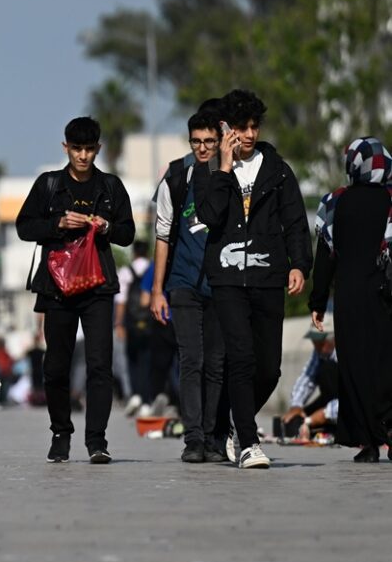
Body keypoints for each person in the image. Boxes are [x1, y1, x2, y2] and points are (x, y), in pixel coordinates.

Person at [192, 89, 311, 469]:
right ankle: (247, 441)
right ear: (226, 128)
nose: (248, 134)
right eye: (240, 127)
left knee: (268, 368)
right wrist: (224, 168)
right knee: (240, 358)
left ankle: (231, 422)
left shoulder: (277, 169)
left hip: (268, 276)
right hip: (227, 278)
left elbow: (295, 221)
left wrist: (299, 265)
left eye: (253, 126)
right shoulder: (209, 169)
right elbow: (209, 216)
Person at [15, 116, 135, 464]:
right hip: (57, 286)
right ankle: (60, 433)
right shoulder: (49, 185)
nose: (83, 156)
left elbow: (128, 233)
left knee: (100, 365)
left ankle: (96, 439)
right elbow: (24, 226)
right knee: (55, 365)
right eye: (76, 149)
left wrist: (107, 226)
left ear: (98, 149)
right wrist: (57, 223)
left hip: (97, 285)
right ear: (65, 148)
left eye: (89, 149)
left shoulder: (110, 187)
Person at [150, 110, 227, 463]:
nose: (203, 148)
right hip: (183, 283)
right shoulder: (177, 178)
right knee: (190, 360)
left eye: (209, 141)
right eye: (196, 141)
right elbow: (163, 235)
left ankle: (213, 437)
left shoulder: (232, 176)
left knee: (216, 363)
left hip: (223, 283)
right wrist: (156, 289)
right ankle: (193, 438)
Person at [310, 136, 392, 462]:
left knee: (355, 366)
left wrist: (317, 302)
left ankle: (368, 444)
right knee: (386, 362)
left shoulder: (334, 202)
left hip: (349, 298)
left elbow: (325, 258)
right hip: (386, 296)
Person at [281, 326, 338, 439]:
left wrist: (326, 414)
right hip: (331, 401)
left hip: (354, 403)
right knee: (295, 422)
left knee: (328, 368)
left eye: (321, 343)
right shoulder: (321, 352)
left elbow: (355, 396)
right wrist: (296, 406)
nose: (316, 347)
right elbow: (307, 377)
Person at [116, 241, 151, 409]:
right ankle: (147, 397)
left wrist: (119, 324)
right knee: (149, 358)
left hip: (131, 322)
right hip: (151, 321)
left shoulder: (126, 272)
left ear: (135, 252)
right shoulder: (152, 269)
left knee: (132, 359)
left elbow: (121, 300)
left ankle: (136, 394)